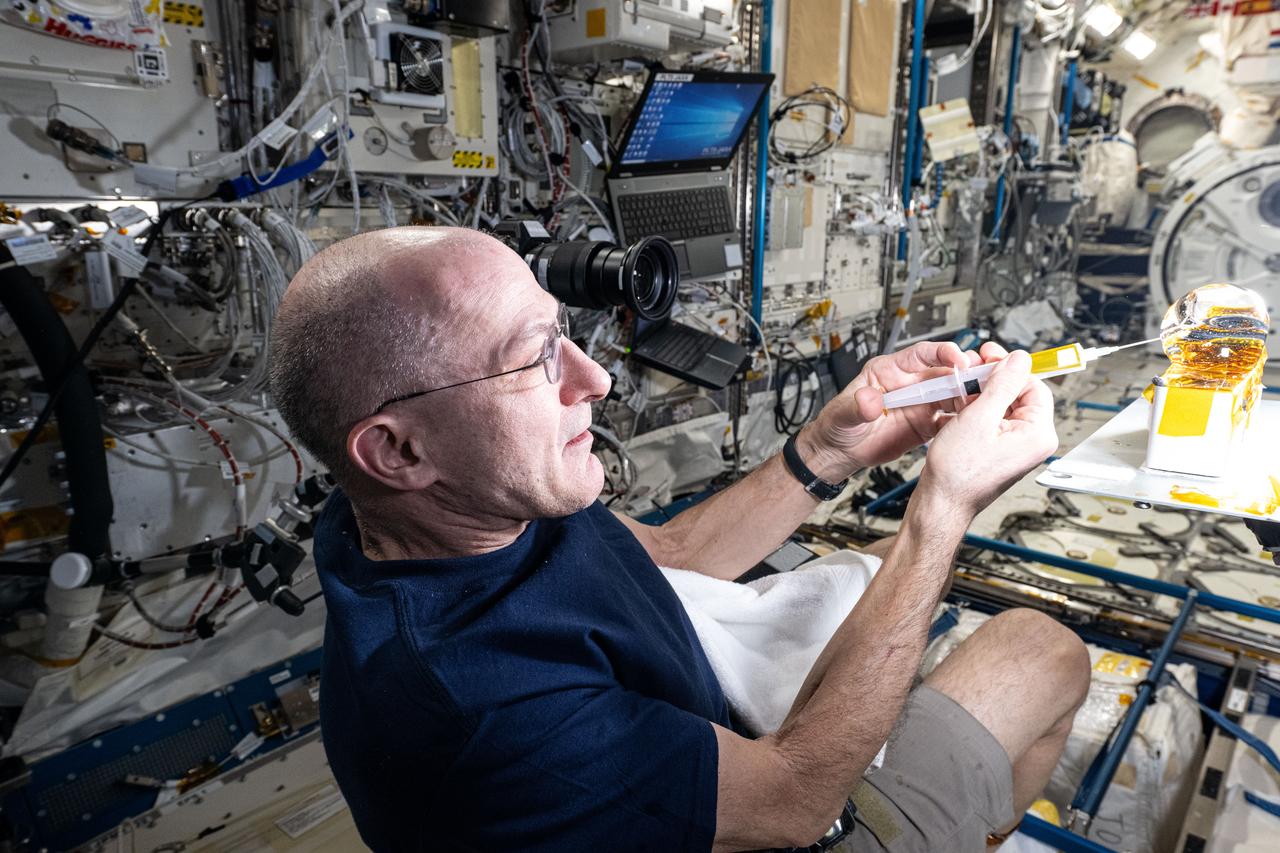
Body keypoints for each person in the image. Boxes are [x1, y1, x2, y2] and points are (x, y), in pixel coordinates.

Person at [267, 226, 1091, 852]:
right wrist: (943, 508)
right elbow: (795, 800)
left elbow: (663, 559)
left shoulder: (430, 507)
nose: (595, 380)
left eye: (565, 337)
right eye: (532, 364)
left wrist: (827, 452)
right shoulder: (470, 705)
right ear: (397, 449)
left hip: (712, 740)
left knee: (884, 566)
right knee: (1042, 650)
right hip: (790, 815)